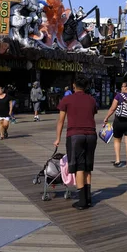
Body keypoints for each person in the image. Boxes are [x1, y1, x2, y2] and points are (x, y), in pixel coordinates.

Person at [53, 76, 98, 210]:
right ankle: (88, 198)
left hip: (75, 135)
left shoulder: (67, 99)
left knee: (79, 167)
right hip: (91, 135)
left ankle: (82, 201)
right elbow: (91, 115)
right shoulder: (91, 100)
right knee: (87, 166)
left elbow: (61, 120)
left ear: (74, 85)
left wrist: (58, 138)